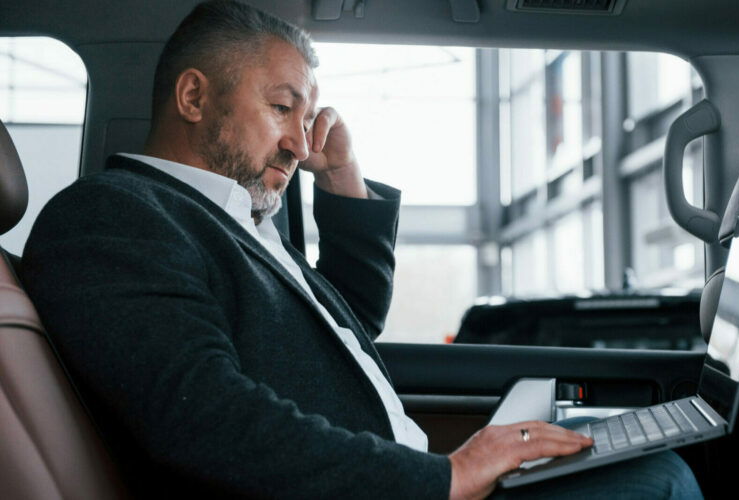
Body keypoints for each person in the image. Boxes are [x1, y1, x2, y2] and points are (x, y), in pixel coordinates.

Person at [21, 1, 703, 498]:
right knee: (661, 482)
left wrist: (344, 178)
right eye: (282, 108)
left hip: (402, 480)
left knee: (636, 463)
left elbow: (349, 322)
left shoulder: (235, 217)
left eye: (307, 116)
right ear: (194, 97)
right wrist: (447, 474)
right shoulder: (113, 216)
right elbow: (205, 416)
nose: (300, 142)